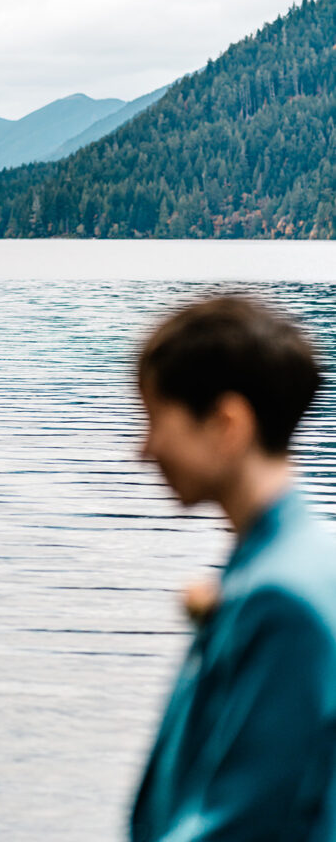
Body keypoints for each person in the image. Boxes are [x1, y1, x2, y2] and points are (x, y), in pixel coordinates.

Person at [130, 294, 336, 842]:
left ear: (227, 423)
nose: (144, 450)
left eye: (156, 420)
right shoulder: (296, 560)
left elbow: (245, 821)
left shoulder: (280, 600)